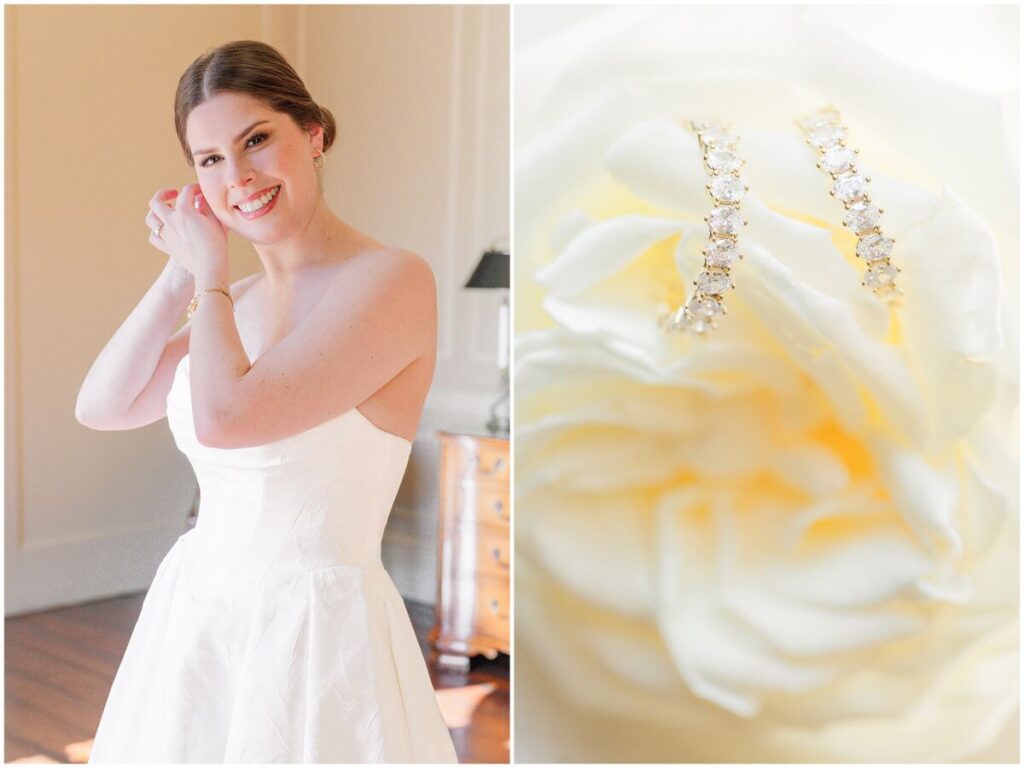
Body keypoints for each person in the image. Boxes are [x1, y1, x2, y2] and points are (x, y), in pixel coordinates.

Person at [76, 40, 458, 763]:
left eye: (256, 140)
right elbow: (103, 404)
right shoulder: (232, 301)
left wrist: (210, 271)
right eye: (210, 160)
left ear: (312, 136)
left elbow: (227, 420)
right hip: (197, 616)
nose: (238, 176)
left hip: (314, 632)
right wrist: (177, 275)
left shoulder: (392, 281)